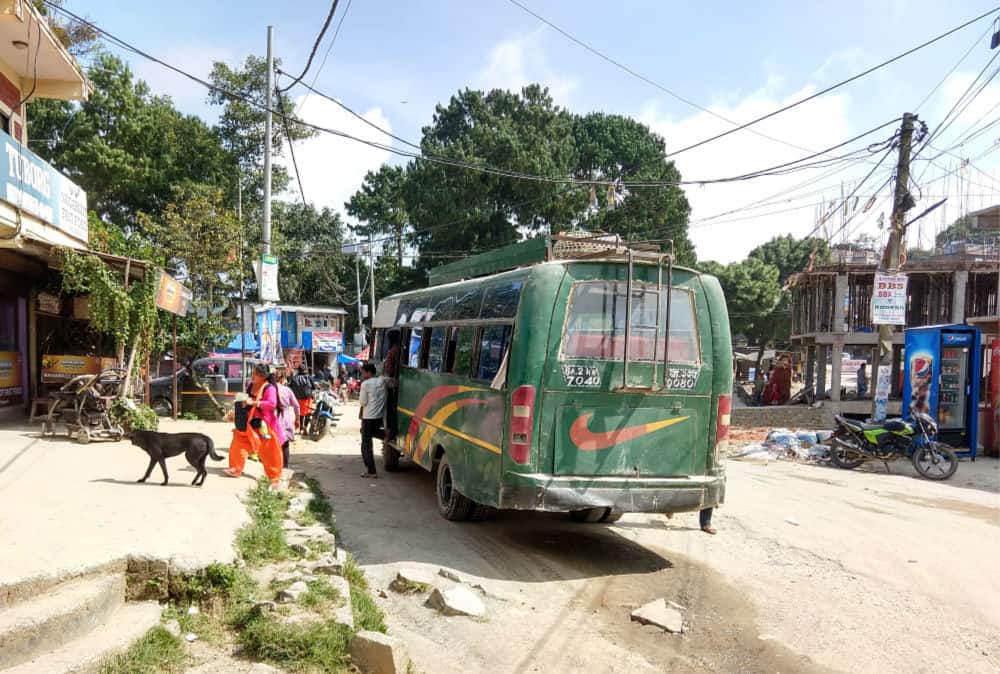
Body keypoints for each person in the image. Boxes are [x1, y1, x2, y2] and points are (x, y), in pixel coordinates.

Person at [224, 364, 284, 485]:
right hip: (249, 421)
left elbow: (272, 404)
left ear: (263, 376)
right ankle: (235, 468)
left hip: (263, 425)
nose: (252, 376)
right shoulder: (252, 385)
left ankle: (274, 477)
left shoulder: (269, 388)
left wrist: (255, 403)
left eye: (255, 374)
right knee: (239, 442)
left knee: (269, 451)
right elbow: (247, 399)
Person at [358, 362, 386, 478]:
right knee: (372, 433)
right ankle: (386, 434)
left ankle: (371, 471)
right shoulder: (383, 381)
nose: (362, 374)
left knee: (366, 445)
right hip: (379, 416)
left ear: (369, 372)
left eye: (363, 372)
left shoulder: (366, 384)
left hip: (368, 417)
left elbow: (363, 402)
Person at [275, 369, 301, 469]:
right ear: (283, 379)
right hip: (285, 418)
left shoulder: (269, 388)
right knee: (285, 443)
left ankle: (275, 466)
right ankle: (284, 467)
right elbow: (296, 406)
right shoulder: (287, 390)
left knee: (274, 443)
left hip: (273, 417)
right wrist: (297, 419)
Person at [383, 330, 401, 441]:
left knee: (390, 409)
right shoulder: (402, 349)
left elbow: (389, 370)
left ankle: (391, 432)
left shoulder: (393, 351)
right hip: (399, 383)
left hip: (395, 385)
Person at [289, 365, 315, 429]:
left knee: (300, 413)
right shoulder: (308, 377)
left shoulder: (294, 378)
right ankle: (305, 427)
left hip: (298, 399)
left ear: (298, 370)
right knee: (308, 413)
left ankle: (301, 428)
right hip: (308, 398)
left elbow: (290, 387)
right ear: (305, 370)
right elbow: (313, 387)